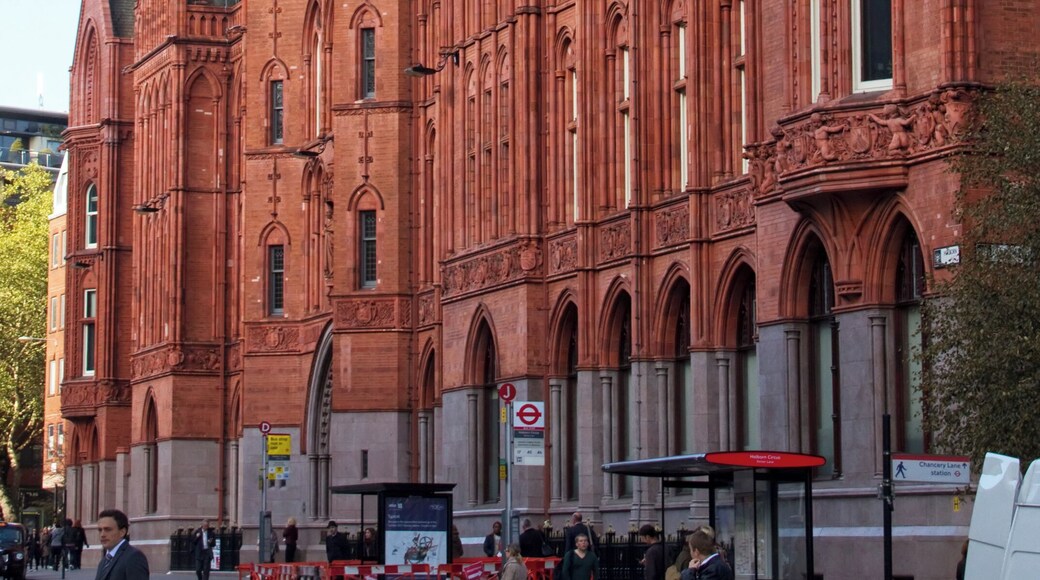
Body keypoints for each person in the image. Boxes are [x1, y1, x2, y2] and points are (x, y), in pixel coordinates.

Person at [95, 508, 150, 580]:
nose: (102, 534)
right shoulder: (104, 562)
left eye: (108, 529)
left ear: (122, 532)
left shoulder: (134, 557)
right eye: (100, 530)